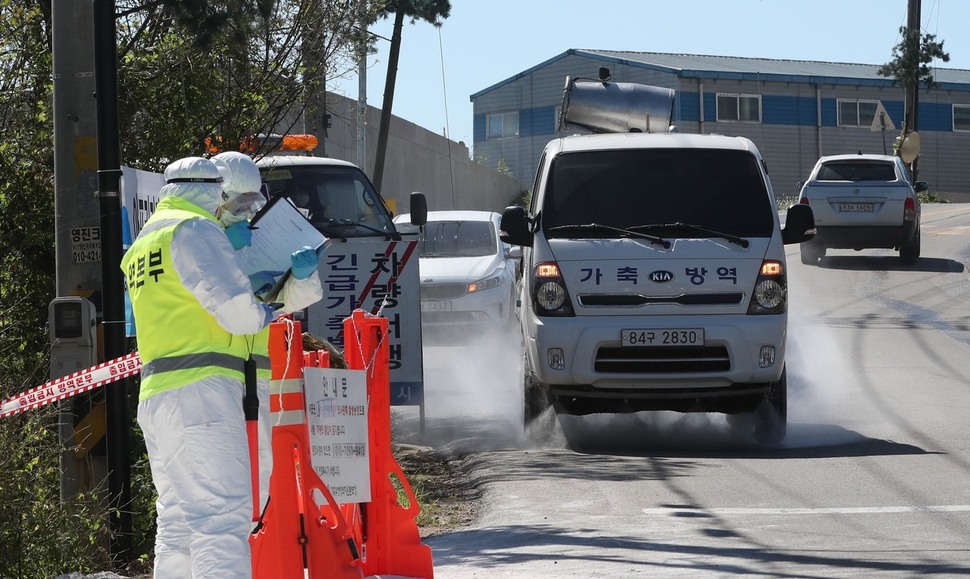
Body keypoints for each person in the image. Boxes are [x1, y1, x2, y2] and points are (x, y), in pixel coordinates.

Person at [121, 156, 276, 578]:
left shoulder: (143, 243)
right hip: (205, 397)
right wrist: (266, 310)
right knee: (221, 520)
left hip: (159, 396)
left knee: (177, 521)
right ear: (211, 192)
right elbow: (237, 314)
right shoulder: (195, 229)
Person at [210, 151, 323, 522]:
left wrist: (301, 275)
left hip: (253, 379)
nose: (246, 212)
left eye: (251, 204)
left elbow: (285, 303)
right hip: (217, 381)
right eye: (240, 203)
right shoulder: (201, 242)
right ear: (219, 198)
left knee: (256, 484)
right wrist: (227, 249)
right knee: (225, 494)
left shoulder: (241, 238)